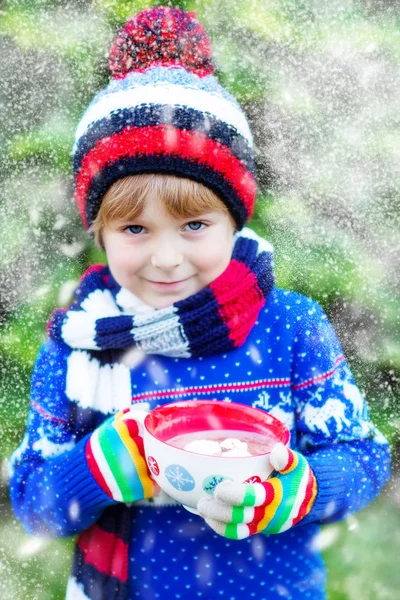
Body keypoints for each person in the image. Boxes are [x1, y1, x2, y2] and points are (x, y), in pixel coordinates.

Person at [8, 7, 390, 600]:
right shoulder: (79, 343)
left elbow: (364, 457)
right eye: (134, 229)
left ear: (234, 221)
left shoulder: (289, 327)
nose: (165, 258)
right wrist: (99, 469)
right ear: (98, 233)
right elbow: (34, 504)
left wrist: (302, 488)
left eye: (193, 225)